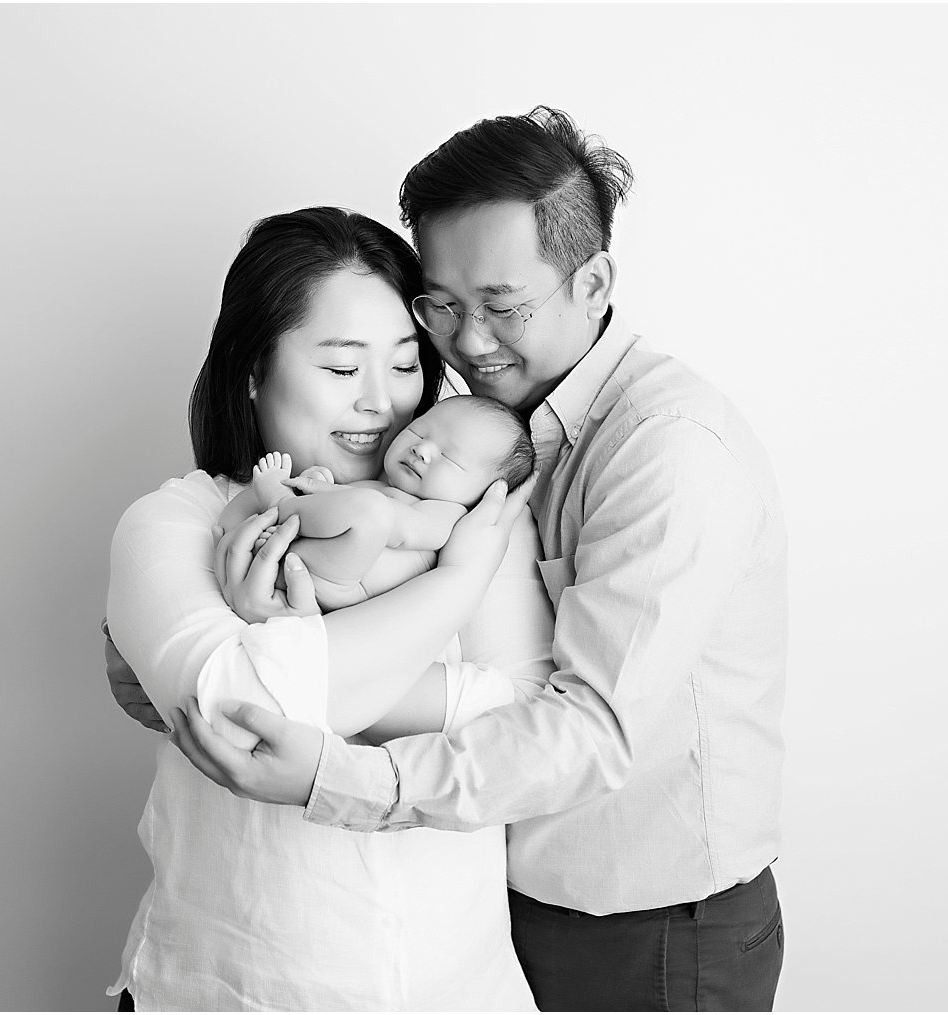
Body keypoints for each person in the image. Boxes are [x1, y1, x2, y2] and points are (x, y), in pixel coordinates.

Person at [149, 107, 790, 1012]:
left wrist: (339, 775)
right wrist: (181, 641)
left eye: (502, 306)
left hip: (649, 930)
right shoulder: (472, 434)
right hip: (504, 912)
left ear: (595, 279)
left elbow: (587, 729)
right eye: (441, 306)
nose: (470, 342)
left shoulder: (666, 450)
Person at [102, 205, 554, 1011]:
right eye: (343, 369)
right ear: (252, 371)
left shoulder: (471, 514)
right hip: (231, 991)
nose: (382, 405)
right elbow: (242, 718)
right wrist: (451, 591)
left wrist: (284, 642)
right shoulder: (174, 523)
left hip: (464, 990)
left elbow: (530, 728)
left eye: (407, 365)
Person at [220, 394, 536, 610]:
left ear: (486, 493)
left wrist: (325, 493)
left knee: (372, 512)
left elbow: (395, 526)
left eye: (450, 458)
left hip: (346, 588)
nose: (422, 449)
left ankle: (278, 501)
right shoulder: (376, 484)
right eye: (419, 431)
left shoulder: (449, 514)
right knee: (243, 509)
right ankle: (252, 526)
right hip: (308, 563)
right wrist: (320, 484)